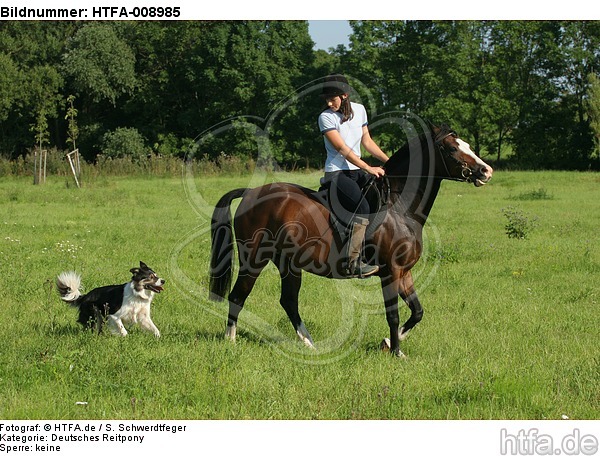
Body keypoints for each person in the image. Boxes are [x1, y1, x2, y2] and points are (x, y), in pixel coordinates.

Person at [318, 74, 389, 278]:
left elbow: (367, 141)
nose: (329, 103)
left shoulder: (359, 110)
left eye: (333, 98)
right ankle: (352, 261)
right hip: (337, 173)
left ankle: (375, 250)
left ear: (345, 95)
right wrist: (368, 167)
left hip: (358, 171)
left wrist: (388, 161)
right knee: (363, 207)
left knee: (381, 199)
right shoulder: (326, 117)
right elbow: (342, 148)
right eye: (327, 99)